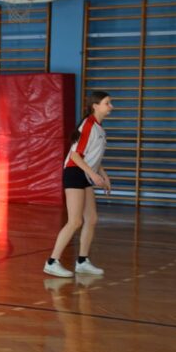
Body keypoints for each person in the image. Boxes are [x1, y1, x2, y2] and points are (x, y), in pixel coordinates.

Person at [43, 91, 113, 278]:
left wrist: (103, 175)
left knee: (92, 219)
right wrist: (93, 174)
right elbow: (75, 156)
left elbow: (92, 157)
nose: (111, 106)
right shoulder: (88, 125)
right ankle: (52, 262)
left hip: (85, 174)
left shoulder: (99, 128)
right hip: (74, 173)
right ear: (95, 106)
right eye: (107, 103)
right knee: (75, 221)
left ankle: (82, 261)